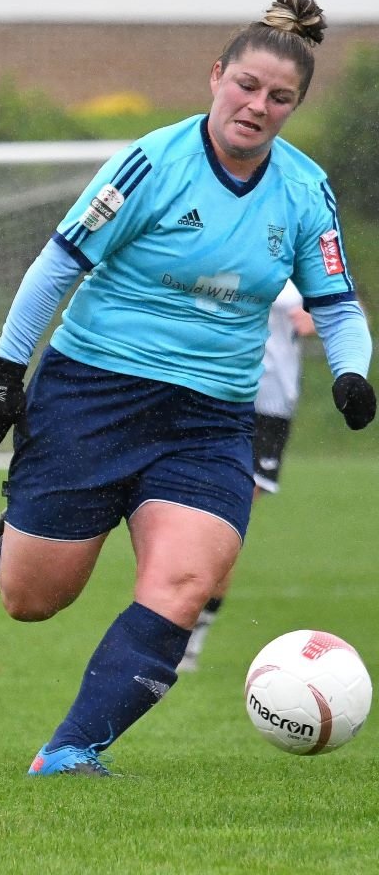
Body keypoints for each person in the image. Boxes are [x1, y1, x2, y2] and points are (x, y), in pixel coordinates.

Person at [0, 0, 374, 777]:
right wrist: (4, 369)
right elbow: (58, 265)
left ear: (295, 106)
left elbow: (336, 301)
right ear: (217, 76)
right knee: (32, 599)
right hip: (94, 395)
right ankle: (15, 538)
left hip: (211, 417)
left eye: (280, 98)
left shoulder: (302, 190)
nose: (258, 106)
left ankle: (72, 752)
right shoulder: (153, 162)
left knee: (185, 584)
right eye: (247, 85)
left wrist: (353, 373)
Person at [179, 279, 315, 672]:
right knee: (199, 517)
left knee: (227, 519)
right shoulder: (225, 257)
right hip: (214, 397)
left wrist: (316, 315)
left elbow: (342, 303)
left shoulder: (295, 268)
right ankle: (183, 617)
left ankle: (196, 626)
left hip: (268, 410)